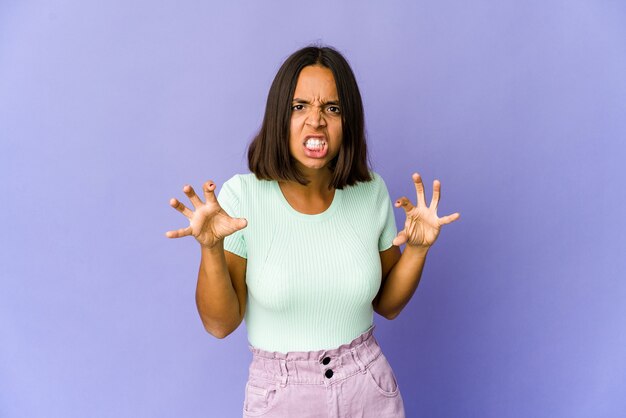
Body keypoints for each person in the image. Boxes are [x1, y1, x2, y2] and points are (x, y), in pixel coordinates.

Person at [165, 45, 460, 418]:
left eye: (332, 108)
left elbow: (386, 305)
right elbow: (220, 325)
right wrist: (210, 248)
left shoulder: (371, 192)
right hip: (282, 393)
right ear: (279, 117)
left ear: (347, 121)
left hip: (367, 386)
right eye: (299, 106)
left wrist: (417, 250)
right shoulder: (243, 195)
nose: (316, 120)